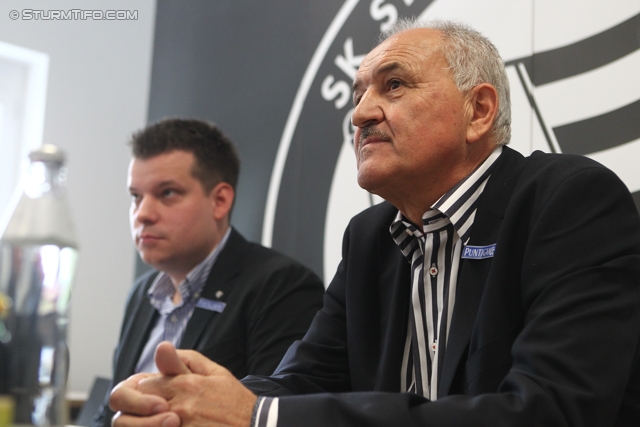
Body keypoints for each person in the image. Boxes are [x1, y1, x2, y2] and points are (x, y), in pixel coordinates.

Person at [108, 20, 640, 427]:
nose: (360, 113)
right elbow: (302, 379)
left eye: (394, 86)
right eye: (359, 93)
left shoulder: (568, 201)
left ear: (478, 111)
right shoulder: (369, 239)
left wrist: (258, 418)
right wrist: (184, 402)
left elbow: (546, 412)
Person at [89, 118, 325, 427]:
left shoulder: (282, 286)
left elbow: (276, 414)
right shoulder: (141, 294)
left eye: (167, 193)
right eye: (136, 196)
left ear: (220, 200)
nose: (143, 213)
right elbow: (111, 413)